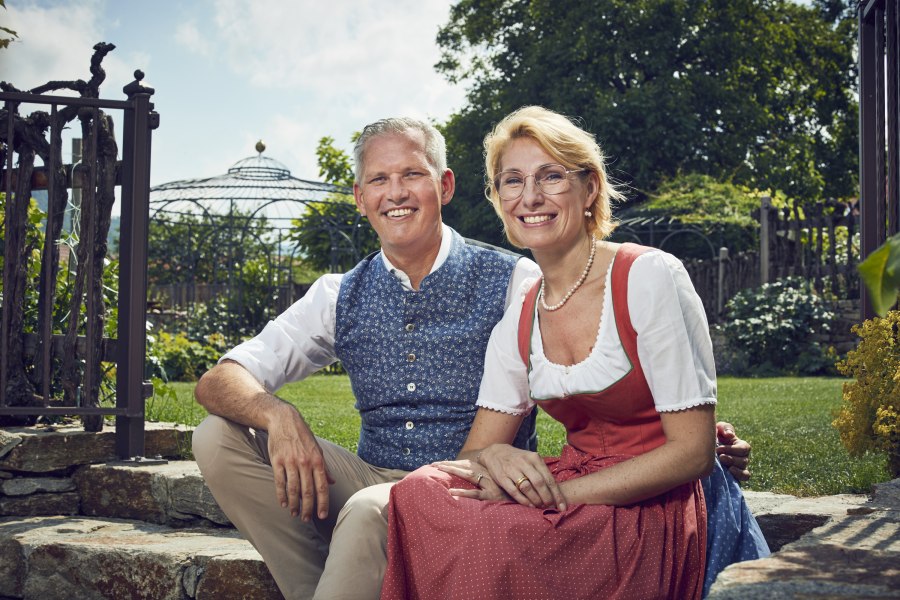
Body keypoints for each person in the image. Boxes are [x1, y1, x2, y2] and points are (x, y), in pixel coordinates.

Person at [191, 116, 757, 600]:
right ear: (360, 198)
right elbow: (219, 380)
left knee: (372, 509)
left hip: (461, 480)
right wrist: (277, 414)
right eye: (378, 180)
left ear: (445, 185)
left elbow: (629, 387)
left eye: (411, 174)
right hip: (398, 474)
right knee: (217, 436)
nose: (396, 192)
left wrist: (698, 437)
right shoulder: (339, 293)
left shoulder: (521, 279)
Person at [380, 106, 770, 600]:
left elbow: (692, 453)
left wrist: (554, 499)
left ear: (590, 189)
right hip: (574, 480)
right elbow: (475, 454)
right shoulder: (523, 309)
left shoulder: (647, 277)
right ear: (499, 199)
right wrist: (497, 455)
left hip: (650, 502)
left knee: (496, 533)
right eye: (513, 181)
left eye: (551, 177)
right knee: (418, 490)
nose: (531, 197)